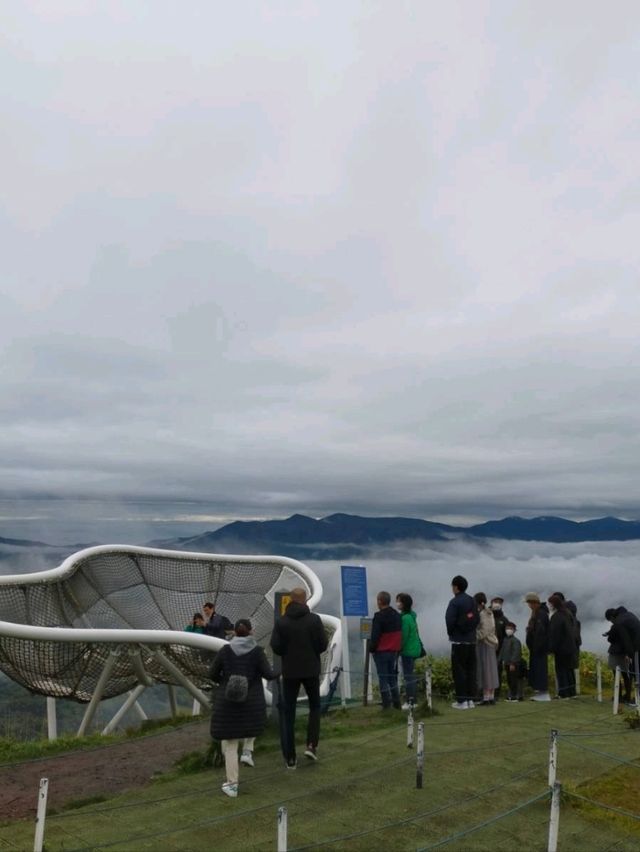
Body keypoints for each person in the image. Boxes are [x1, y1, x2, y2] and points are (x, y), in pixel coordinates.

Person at [209, 618, 276, 798]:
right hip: (250, 703)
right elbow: (269, 674)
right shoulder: (257, 652)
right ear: (251, 632)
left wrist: (225, 682)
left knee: (230, 743)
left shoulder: (225, 651)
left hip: (227, 703)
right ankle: (247, 752)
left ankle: (232, 785)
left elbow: (212, 674)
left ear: (234, 632)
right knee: (249, 728)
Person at [270, 587, 328, 767]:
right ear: (305, 600)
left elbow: (276, 647)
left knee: (289, 712)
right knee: (315, 707)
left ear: (290, 600)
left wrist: (288, 653)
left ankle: (290, 757)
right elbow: (323, 644)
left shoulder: (282, 622)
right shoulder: (314, 620)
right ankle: (311, 745)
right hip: (311, 669)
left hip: (290, 672)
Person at [445, 575, 478, 710]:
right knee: (471, 670)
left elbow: (449, 620)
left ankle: (462, 700)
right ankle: (471, 699)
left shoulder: (454, 602)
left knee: (459, 671)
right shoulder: (472, 601)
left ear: (456, 587)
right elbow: (475, 618)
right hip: (471, 640)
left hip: (459, 642)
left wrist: (452, 633)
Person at [370, 591, 403, 710]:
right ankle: (397, 703)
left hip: (381, 652)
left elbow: (375, 636)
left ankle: (386, 705)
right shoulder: (397, 615)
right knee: (392, 678)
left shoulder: (378, 617)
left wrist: (371, 649)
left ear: (380, 601)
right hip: (394, 651)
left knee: (383, 678)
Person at [605, 606, 640, 706]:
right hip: (633, 648)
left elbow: (622, 639)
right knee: (628, 675)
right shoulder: (628, 615)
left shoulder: (619, 622)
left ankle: (621, 697)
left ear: (612, 617)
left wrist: (630, 654)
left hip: (630, 650)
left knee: (623, 674)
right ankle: (629, 697)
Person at [396, 592, 423, 709]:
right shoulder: (412, 616)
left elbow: (403, 636)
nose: (397, 603)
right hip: (414, 649)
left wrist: (398, 648)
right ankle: (412, 700)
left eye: (399, 601)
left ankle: (411, 701)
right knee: (410, 674)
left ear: (403, 604)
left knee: (408, 676)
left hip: (407, 650)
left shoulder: (405, 618)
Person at [547, 594, 578, 699]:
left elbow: (555, 635)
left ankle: (563, 693)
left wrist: (550, 648)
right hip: (571, 647)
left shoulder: (556, 616)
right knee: (569, 670)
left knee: (561, 671)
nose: (549, 605)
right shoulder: (567, 613)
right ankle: (572, 692)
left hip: (561, 649)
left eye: (550, 603)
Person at [474, 593, 499, 705]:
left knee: (487, 670)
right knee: (490, 669)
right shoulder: (487, 613)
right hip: (488, 643)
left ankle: (487, 697)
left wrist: (475, 635)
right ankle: (490, 696)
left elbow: (485, 630)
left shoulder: (485, 614)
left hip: (486, 643)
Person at [524, 592, 550, 701]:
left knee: (540, 670)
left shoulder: (541, 614)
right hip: (536, 648)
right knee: (536, 670)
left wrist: (537, 646)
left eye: (529, 603)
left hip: (539, 648)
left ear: (534, 603)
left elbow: (540, 632)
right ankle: (539, 692)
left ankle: (543, 693)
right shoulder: (537, 613)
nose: (529, 606)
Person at [498, 622, 525, 701]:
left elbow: (516, 652)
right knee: (509, 680)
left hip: (513, 664)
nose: (508, 630)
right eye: (507, 628)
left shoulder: (515, 641)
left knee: (514, 680)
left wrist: (512, 663)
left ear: (514, 630)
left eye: (510, 629)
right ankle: (511, 695)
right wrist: (499, 660)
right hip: (506, 663)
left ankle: (515, 696)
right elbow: (502, 651)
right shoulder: (505, 640)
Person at [490, 596, 509, 697]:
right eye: (495, 602)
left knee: (497, 672)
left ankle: (496, 694)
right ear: (491, 602)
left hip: (499, 651)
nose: (497, 604)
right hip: (487, 649)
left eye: (499, 602)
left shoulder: (504, 619)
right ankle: (484, 693)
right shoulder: (487, 616)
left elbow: (507, 637)